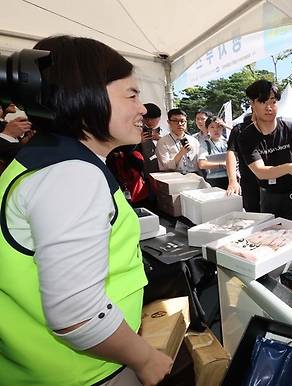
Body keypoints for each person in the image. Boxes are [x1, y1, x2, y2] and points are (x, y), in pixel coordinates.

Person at [0, 35, 172, 385]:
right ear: (85, 96)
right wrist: (145, 358)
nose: (143, 108)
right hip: (88, 373)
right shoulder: (72, 175)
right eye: (132, 94)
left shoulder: (46, 161)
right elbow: (77, 314)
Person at [237, 80, 292, 220]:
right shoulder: (246, 137)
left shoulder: (291, 129)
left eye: (273, 101)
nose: (269, 107)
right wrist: (289, 167)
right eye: (263, 102)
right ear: (252, 104)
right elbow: (261, 172)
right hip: (267, 195)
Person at [155, 108, 201, 173]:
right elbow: (166, 166)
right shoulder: (163, 142)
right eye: (175, 121)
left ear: (186, 122)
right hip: (173, 177)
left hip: (194, 175)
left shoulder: (194, 141)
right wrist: (181, 153)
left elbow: (199, 162)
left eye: (182, 121)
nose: (179, 124)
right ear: (169, 122)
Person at [198, 115, 229, 188]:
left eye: (219, 126)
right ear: (207, 129)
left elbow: (241, 134)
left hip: (231, 177)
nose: (216, 129)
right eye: (212, 127)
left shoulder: (227, 142)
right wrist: (221, 165)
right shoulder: (205, 144)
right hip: (215, 180)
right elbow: (202, 164)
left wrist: (227, 126)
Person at [138, 102, 161, 175]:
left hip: (164, 170)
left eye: (153, 118)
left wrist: (162, 140)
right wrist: (138, 141)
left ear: (159, 117)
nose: (149, 121)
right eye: (146, 119)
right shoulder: (136, 132)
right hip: (144, 171)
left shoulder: (167, 132)